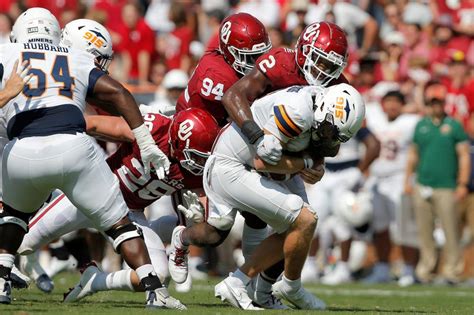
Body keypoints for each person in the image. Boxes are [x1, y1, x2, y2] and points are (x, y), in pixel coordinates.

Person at [0, 9, 182, 309]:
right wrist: (147, 143)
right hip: (74, 147)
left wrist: (6, 95)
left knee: (14, 216)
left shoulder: (8, 52)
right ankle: (155, 291)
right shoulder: (75, 56)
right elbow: (119, 93)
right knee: (120, 224)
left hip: (21, 149)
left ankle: (3, 281)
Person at [169, 21, 349, 308]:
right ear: (303, 51)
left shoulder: (336, 89)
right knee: (219, 231)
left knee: (296, 225)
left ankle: (262, 291)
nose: (323, 72)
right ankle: (225, 269)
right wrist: (257, 135)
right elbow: (234, 96)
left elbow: (328, 137)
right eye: (320, 62)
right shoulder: (279, 63)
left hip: (280, 154)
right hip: (245, 148)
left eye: (331, 66)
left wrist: (317, 160)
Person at [209, 83, 365, 309]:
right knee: (303, 220)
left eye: (336, 135)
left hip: (255, 167)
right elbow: (263, 162)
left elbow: (326, 145)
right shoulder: (298, 111)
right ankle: (239, 281)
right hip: (232, 167)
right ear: (323, 108)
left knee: (304, 226)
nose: (329, 138)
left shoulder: (321, 111)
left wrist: (317, 163)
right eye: (329, 131)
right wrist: (307, 163)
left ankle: (264, 293)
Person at [405, 81, 470, 283]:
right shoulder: (421, 125)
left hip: (447, 186)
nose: (436, 106)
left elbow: (464, 156)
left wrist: (462, 183)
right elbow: (413, 154)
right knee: (425, 231)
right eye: (432, 102)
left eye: (439, 102)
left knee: (451, 230)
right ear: (427, 103)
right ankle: (426, 270)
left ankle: (453, 270)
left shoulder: (454, 125)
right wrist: (407, 179)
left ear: (444, 103)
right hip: (423, 183)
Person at [364, 90, 420, 286]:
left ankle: (408, 270)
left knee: (403, 227)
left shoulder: (410, 122)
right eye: (388, 101)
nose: (391, 106)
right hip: (377, 179)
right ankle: (382, 269)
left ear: (403, 104)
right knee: (380, 228)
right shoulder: (374, 117)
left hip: (399, 178)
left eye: (396, 102)